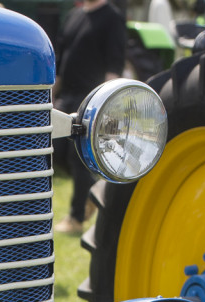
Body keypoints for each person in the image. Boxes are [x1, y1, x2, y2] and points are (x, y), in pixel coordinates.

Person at [53, 0, 126, 235]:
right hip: (67, 97)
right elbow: (61, 63)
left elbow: (114, 65)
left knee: (78, 159)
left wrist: (108, 107)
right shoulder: (75, 16)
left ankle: (76, 219)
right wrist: (50, 96)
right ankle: (93, 193)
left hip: (91, 100)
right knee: (53, 150)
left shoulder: (112, 17)